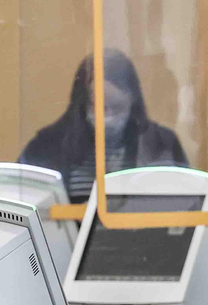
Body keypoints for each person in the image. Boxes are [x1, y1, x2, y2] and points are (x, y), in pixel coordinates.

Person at [20, 49, 188, 204]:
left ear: (132, 101)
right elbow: (25, 206)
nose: (107, 116)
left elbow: (184, 206)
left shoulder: (161, 145)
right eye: (98, 107)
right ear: (82, 104)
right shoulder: (46, 147)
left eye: (116, 106)